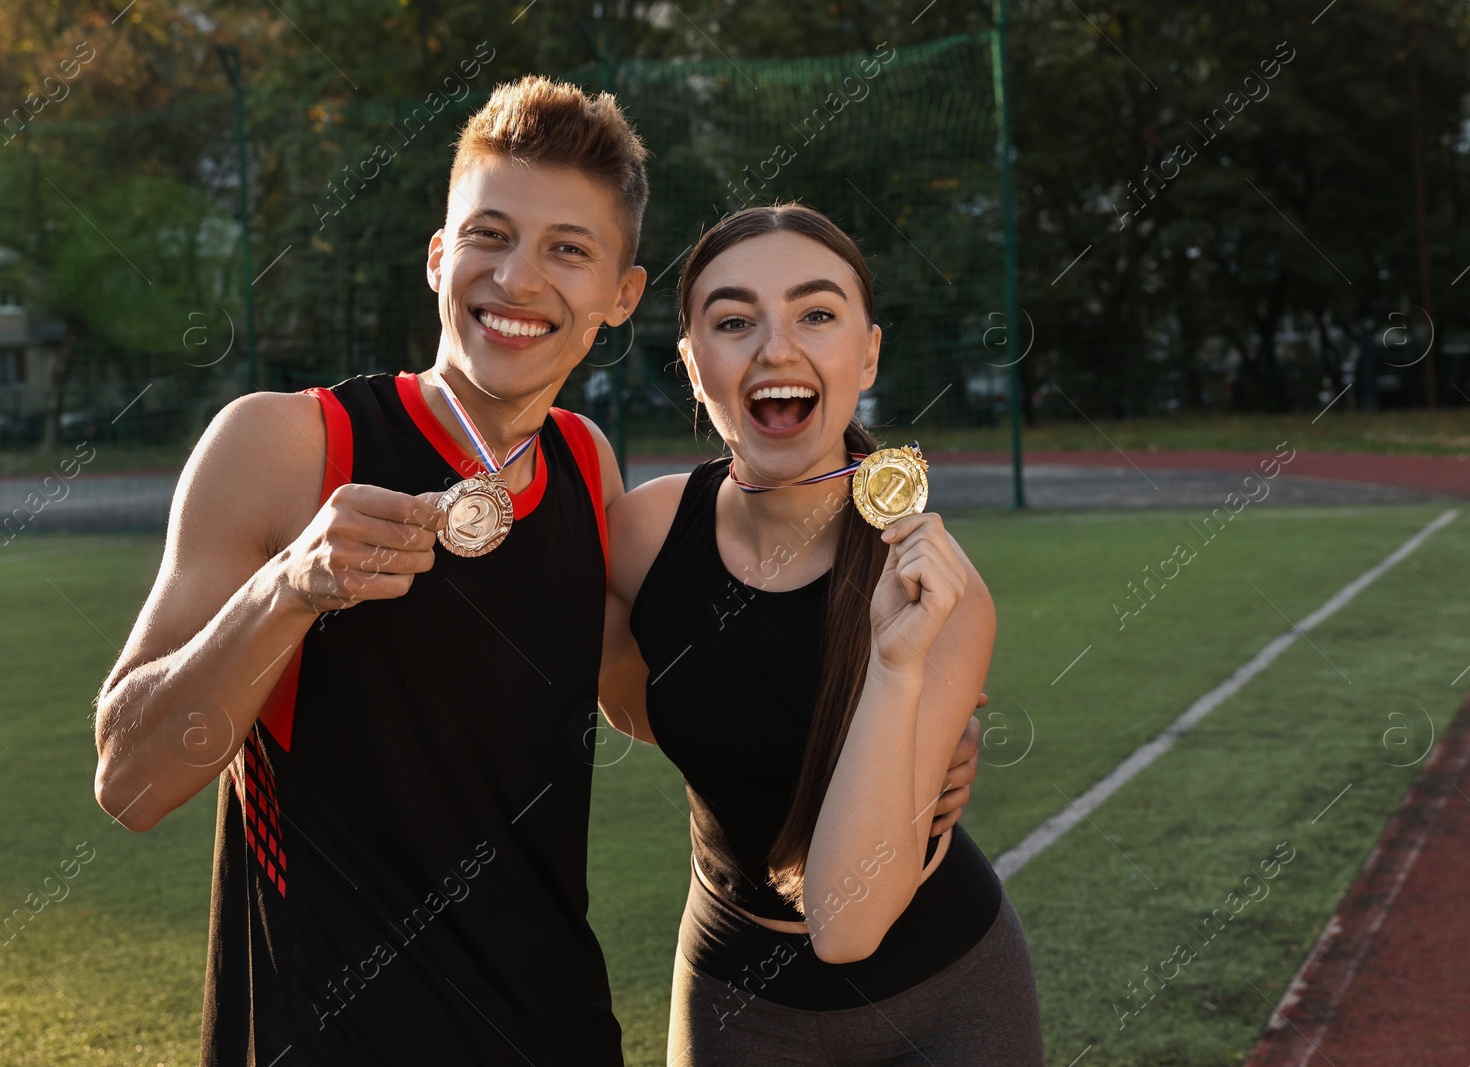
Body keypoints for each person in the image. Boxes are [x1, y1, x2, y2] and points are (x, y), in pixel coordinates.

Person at [90, 74, 979, 1065]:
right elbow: (130, 780)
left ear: (619, 297)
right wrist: (290, 584)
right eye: (489, 234)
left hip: (553, 1029)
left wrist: (891, 727)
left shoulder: (582, 465)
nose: (517, 279)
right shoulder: (287, 444)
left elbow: (652, 697)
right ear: (438, 255)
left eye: (568, 250)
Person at [600, 204, 1045, 1065]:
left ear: (867, 352)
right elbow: (628, 703)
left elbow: (844, 925)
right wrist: (755, 744)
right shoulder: (643, 537)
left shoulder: (937, 595)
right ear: (694, 367)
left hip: (947, 1000)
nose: (776, 349)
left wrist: (899, 671)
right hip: (735, 997)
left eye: (816, 313)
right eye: (734, 322)